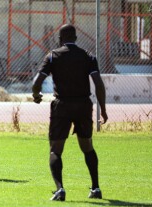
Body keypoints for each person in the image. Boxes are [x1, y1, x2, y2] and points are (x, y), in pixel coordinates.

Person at [31, 24, 108, 201]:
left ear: (60, 39)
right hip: (83, 105)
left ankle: (60, 189)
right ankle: (96, 188)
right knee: (87, 146)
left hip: (62, 105)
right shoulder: (88, 56)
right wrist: (102, 109)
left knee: (55, 150)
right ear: (75, 38)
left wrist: (36, 95)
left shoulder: (53, 56)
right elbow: (98, 84)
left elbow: (37, 82)